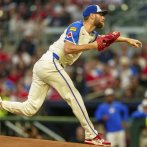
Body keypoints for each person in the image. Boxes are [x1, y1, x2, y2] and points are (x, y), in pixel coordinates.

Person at [0, 4, 142, 146]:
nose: (103, 17)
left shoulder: (92, 35)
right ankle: (91, 135)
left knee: (30, 109)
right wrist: (93, 46)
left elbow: (105, 39)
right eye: (101, 14)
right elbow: (68, 49)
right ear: (92, 15)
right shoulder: (76, 26)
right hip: (51, 62)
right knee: (74, 96)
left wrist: (126, 40)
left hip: (46, 66)